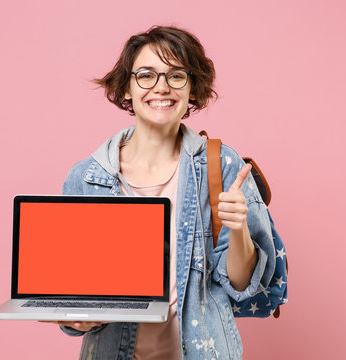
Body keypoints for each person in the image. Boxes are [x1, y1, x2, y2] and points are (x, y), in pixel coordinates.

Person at [44, 25, 280, 359]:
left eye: (176, 76)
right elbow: (75, 295)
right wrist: (76, 318)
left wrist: (239, 227)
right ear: (126, 89)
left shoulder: (222, 165)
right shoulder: (87, 177)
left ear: (192, 91)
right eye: (146, 75)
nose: (161, 87)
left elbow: (242, 285)